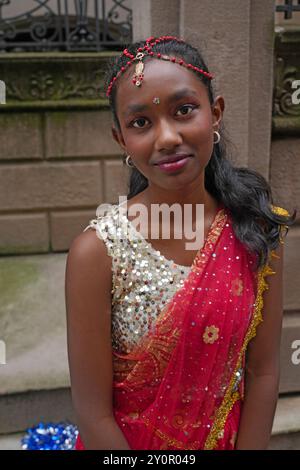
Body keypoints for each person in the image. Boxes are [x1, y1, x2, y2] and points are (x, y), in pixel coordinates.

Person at [65, 35, 296, 450]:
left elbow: (262, 373)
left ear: (216, 113)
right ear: (122, 140)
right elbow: (93, 412)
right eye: (141, 123)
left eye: (184, 110)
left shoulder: (257, 230)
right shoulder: (96, 253)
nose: (167, 136)